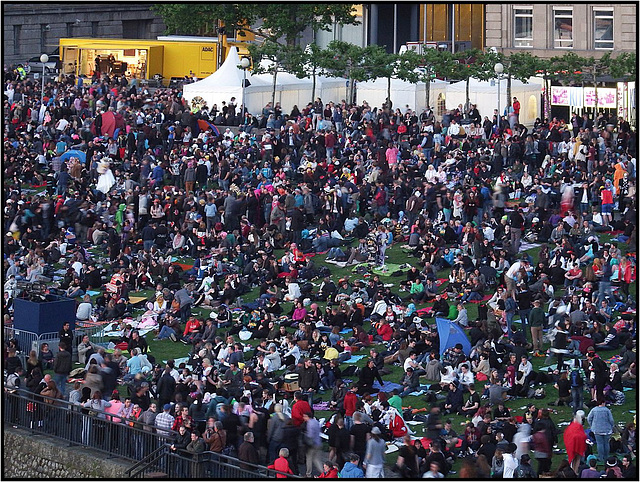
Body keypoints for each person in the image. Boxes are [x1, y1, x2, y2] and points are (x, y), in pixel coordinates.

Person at [587, 397, 615, 463]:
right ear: (603, 403)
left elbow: (589, 418)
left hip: (597, 430)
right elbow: (611, 420)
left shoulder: (594, 410)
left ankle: (601, 457)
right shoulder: (607, 410)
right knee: (606, 443)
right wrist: (612, 426)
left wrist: (592, 425)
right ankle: (606, 456)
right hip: (607, 429)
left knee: (600, 444)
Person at [563, 410, 587, 474]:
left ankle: (573, 471)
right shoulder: (578, 427)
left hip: (572, 444)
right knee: (577, 459)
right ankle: (575, 471)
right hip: (578, 445)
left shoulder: (572, 426)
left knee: (573, 459)